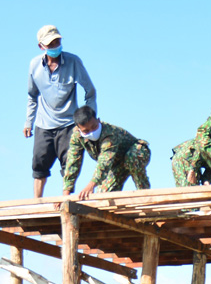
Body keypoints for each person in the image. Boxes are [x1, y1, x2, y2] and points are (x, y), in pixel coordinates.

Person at [24, 25, 96, 198]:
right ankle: (36, 203)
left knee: (70, 165)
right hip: (44, 124)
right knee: (39, 166)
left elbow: (90, 92)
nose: (56, 45)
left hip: (69, 125)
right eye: (51, 43)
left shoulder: (73, 62)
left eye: (57, 41)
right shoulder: (34, 66)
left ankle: (66, 201)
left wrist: (89, 121)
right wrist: (28, 122)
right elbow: (32, 96)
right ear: (42, 46)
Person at [61, 107, 151, 200]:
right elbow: (73, 162)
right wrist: (65, 194)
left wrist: (91, 185)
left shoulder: (110, 134)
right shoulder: (77, 136)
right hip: (116, 164)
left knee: (132, 158)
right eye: (86, 131)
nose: (91, 132)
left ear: (98, 120)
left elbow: (104, 162)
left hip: (137, 153)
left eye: (94, 127)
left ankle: (145, 194)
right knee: (103, 197)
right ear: (79, 129)